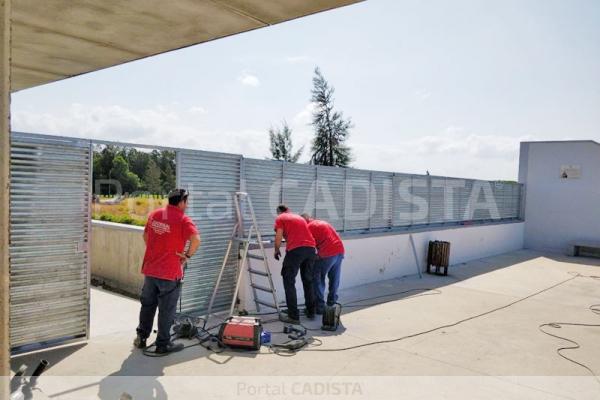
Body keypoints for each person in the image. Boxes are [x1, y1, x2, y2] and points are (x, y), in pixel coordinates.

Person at [133, 189, 201, 354]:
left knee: (148, 305)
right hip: (170, 272)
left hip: (151, 269)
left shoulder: (155, 214)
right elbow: (196, 239)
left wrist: (156, 251)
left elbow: (145, 236)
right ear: (181, 202)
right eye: (187, 201)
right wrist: (187, 256)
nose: (187, 204)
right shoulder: (183, 219)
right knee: (167, 309)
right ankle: (163, 344)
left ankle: (142, 338)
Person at [273, 204, 317, 324]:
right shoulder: (299, 218)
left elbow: (278, 237)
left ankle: (293, 316)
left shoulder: (280, 218)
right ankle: (311, 311)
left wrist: (276, 250)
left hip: (296, 250)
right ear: (289, 210)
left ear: (279, 212)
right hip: (311, 249)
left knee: (288, 280)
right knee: (308, 280)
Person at [301, 214, 345, 314]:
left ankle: (319, 307)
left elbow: (308, 245)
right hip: (339, 251)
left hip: (328, 254)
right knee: (334, 278)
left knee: (317, 279)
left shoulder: (309, 227)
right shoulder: (322, 222)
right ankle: (331, 302)